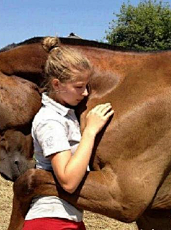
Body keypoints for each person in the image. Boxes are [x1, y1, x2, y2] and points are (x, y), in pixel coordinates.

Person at [23, 37, 114, 230]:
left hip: (68, 219)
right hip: (51, 221)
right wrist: (90, 131)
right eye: (79, 87)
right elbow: (68, 181)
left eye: (87, 86)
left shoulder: (65, 114)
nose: (85, 93)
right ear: (56, 85)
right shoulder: (49, 120)